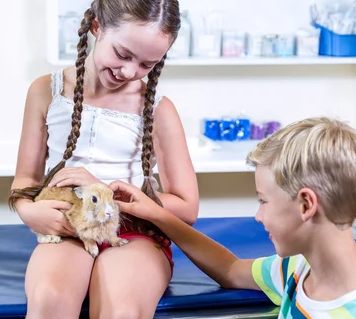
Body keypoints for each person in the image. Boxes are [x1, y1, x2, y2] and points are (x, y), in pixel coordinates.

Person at [8, 0, 199, 318]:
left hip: (134, 233)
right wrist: (29, 211)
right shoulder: (45, 91)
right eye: (123, 53)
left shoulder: (159, 110)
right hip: (70, 226)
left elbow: (187, 207)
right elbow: (25, 178)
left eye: (147, 64)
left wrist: (105, 191)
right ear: (97, 26)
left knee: (120, 308)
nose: (129, 71)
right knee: (49, 299)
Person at [110, 117, 356, 317]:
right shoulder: (298, 269)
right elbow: (230, 269)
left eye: (263, 201)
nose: (258, 216)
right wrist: (157, 214)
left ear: (306, 205)